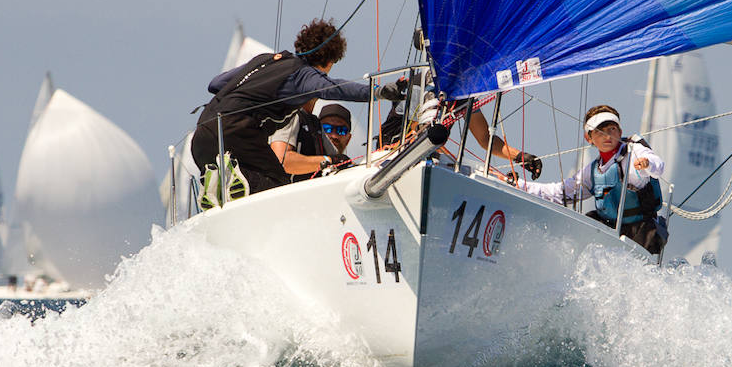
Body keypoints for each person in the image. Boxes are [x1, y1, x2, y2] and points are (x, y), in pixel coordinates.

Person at [191, 19, 406, 197]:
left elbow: (215, 84)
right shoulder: (303, 75)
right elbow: (336, 89)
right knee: (277, 185)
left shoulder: (266, 60)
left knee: (241, 175)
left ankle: (218, 188)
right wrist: (377, 92)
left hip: (204, 133)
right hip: (237, 132)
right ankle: (231, 187)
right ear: (329, 61)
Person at [509, 105, 666, 254]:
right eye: (600, 131)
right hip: (612, 230)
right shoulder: (591, 171)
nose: (607, 136)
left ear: (620, 131)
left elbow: (657, 166)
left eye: (612, 129)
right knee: (586, 223)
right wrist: (517, 184)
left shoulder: (633, 152)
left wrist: (647, 164)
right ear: (589, 137)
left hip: (642, 230)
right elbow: (558, 193)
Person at [378, 76, 542, 180]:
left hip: (430, 156)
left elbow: (485, 138)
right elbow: (419, 136)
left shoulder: (462, 94)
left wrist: (520, 156)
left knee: (487, 176)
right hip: (391, 155)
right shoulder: (418, 85)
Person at [268, 102, 354, 183]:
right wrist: (330, 160)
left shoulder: (314, 123)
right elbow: (282, 160)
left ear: (348, 138)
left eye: (341, 130)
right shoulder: (291, 115)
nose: (334, 135)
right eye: (327, 128)